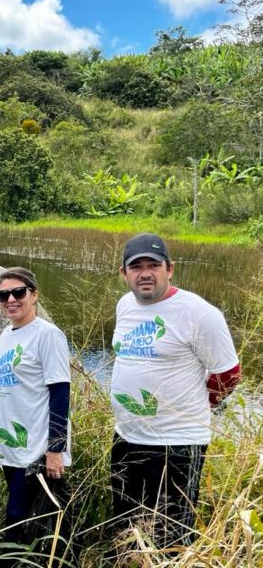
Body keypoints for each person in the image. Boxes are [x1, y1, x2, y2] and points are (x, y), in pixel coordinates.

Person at [110, 233, 241, 548]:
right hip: (126, 439)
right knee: (126, 529)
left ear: (170, 269)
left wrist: (196, 406)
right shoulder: (125, 305)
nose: (145, 273)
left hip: (177, 445)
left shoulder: (198, 313)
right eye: (136, 266)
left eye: (153, 265)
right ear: (124, 274)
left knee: (170, 536)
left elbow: (229, 373)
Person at [0, 267, 71, 559]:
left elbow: (60, 393)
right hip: (10, 447)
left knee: (18, 520)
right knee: (30, 522)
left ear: (34, 295)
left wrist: (55, 449)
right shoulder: (6, 335)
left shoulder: (48, 335)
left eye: (18, 292)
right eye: (3, 294)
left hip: (36, 449)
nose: (11, 299)